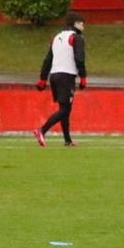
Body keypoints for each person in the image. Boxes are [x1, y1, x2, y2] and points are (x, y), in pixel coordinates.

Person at [35, 12, 86, 147]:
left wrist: (42, 78)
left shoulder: (57, 37)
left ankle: (67, 140)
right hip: (67, 76)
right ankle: (42, 130)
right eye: (81, 23)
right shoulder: (77, 38)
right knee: (64, 110)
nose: (83, 26)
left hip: (54, 75)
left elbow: (48, 59)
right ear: (75, 24)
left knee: (65, 108)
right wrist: (83, 77)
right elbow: (79, 58)